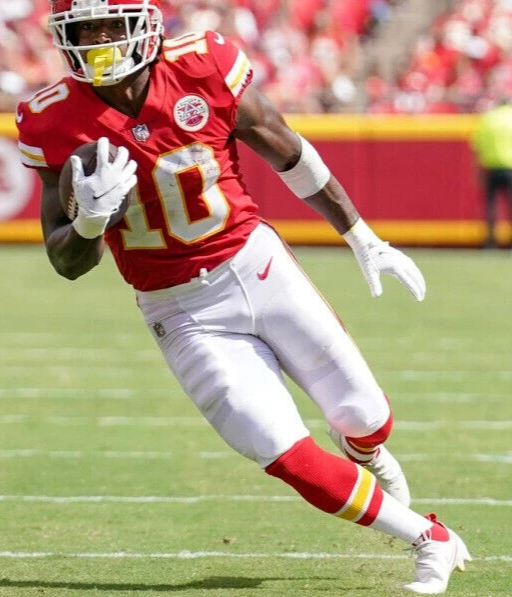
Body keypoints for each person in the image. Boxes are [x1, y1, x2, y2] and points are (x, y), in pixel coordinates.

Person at [17, 1, 470, 593]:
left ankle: (369, 452)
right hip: (179, 309)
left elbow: (287, 148)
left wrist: (361, 235)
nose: (98, 39)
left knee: (366, 417)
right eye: (83, 29)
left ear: (146, 24)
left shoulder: (202, 63)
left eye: (110, 24)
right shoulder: (52, 118)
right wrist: (88, 223)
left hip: (257, 266)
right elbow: (67, 262)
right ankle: (429, 538)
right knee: (279, 448)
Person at [471, 99, 512, 248]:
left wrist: (478, 171)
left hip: (491, 167)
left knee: (491, 206)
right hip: (509, 167)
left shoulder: (488, 119)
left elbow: (478, 146)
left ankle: (490, 242)